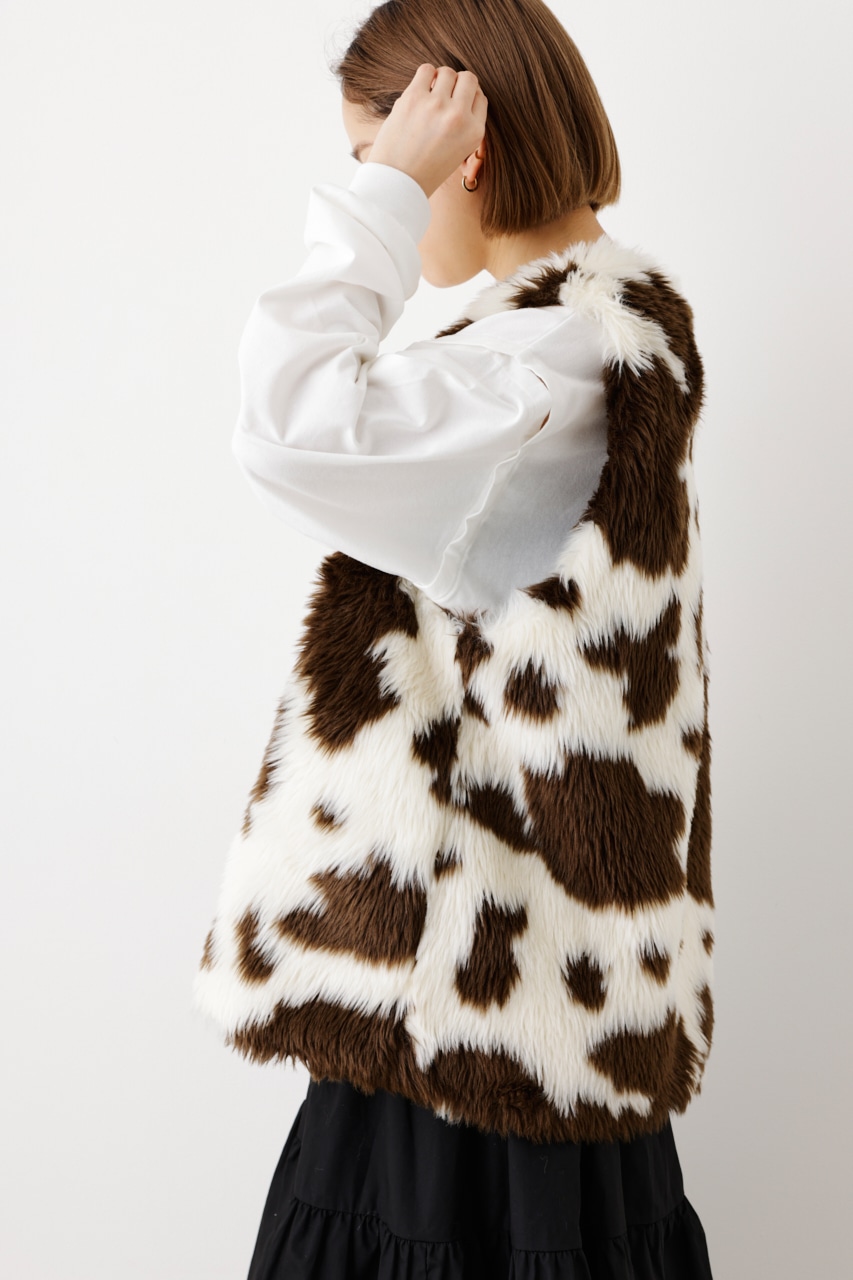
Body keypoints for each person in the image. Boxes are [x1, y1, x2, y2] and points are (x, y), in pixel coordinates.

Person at [194, 2, 716, 1276]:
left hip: (464, 1028)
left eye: (381, 150)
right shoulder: (591, 346)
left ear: (459, 149)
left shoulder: (539, 374)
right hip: (537, 1004)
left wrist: (376, 196)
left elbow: (285, 422)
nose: (386, 184)